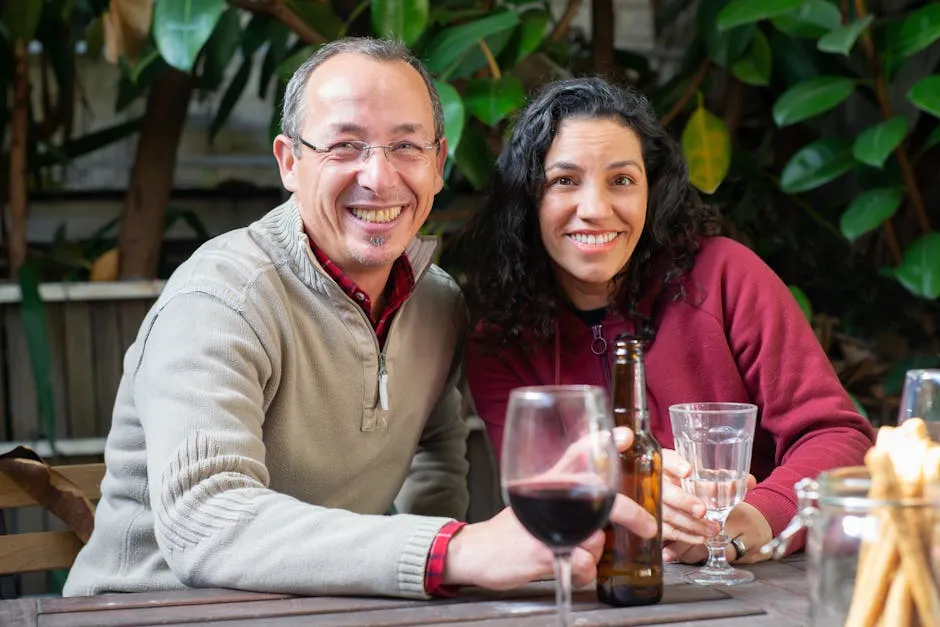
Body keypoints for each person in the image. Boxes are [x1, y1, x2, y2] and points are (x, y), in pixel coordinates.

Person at [63, 39, 657, 599]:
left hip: (328, 609)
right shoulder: (221, 298)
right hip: (152, 608)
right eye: (344, 145)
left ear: (438, 163)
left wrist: (444, 580)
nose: (378, 176)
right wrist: (453, 551)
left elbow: (436, 456)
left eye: (405, 146)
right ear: (289, 162)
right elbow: (205, 519)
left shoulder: (437, 303)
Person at [460, 77, 875, 565]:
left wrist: (756, 517)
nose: (595, 210)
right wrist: (637, 494)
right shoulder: (501, 337)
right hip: (603, 588)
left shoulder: (725, 278)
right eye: (564, 181)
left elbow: (837, 437)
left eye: (622, 180)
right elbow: (540, 493)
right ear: (528, 199)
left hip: (759, 585)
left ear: (651, 191)